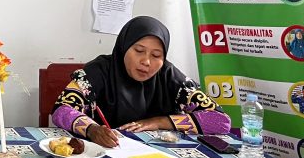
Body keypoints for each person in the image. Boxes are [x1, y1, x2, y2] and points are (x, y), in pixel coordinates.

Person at [51, 16, 230, 148]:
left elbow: (221, 121)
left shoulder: (169, 76)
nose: (146, 61)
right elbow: (62, 110)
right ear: (124, 47)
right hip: (102, 156)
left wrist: (159, 122)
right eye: (138, 51)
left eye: (156, 55)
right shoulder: (99, 71)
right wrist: (92, 129)